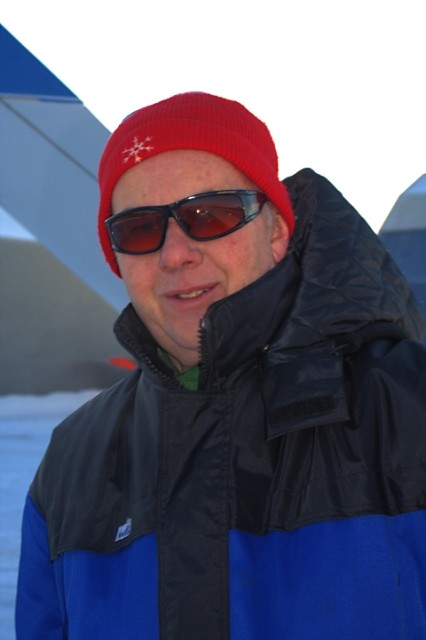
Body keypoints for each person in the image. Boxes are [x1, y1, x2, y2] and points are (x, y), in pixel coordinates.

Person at [16, 92, 426, 640]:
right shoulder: (73, 461)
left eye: (209, 215)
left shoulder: (409, 410)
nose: (175, 253)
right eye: (139, 229)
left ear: (275, 230)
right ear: (118, 260)